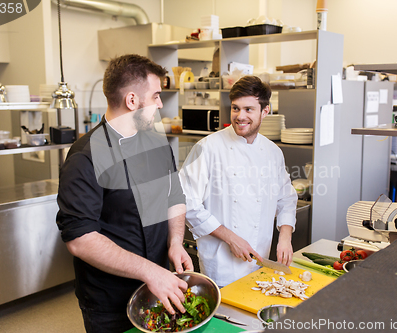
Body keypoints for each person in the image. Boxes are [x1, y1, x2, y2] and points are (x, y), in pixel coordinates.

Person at [56, 54, 193, 333]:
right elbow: (81, 239)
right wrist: (150, 271)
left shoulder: (156, 142)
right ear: (132, 101)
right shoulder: (86, 157)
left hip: (159, 287)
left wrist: (176, 242)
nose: (159, 104)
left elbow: (174, 196)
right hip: (109, 300)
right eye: (155, 95)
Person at [179, 75, 298, 287]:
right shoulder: (208, 148)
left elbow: (286, 197)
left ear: (265, 111)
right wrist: (231, 238)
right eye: (235, 108)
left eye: (248, 109)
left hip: (261, 259)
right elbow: (187, 202)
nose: (240, 116)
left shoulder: (273, 152)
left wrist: (285, 237)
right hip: (222, 265)